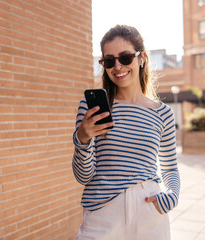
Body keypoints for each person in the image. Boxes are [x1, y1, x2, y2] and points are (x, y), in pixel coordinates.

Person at [72, 25, 180, 240]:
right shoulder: (91, 107)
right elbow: (83, 176)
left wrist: (172, 196)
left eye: (125, 57)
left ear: (142, 58)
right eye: (109, 61)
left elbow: (170, 168)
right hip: (102, 213)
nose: (118, 66)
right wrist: (82, 139)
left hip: (149, 209)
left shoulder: (163, 113)